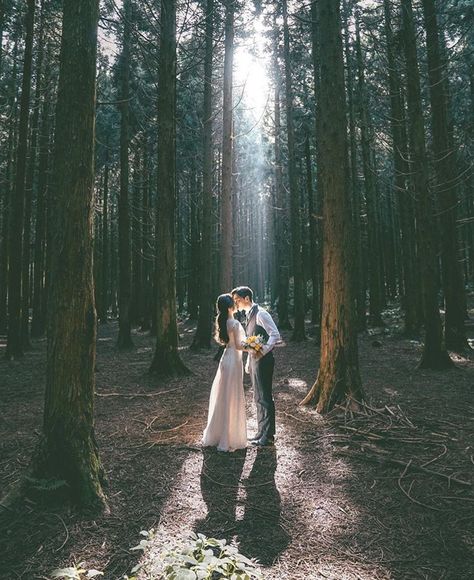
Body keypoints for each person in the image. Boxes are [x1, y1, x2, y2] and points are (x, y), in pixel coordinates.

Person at [231, 286, 280, 447]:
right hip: (254, 362)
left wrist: (263, 351)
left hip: (264, 361)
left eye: (237, 299)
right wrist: (248, 362)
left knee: (265, 397)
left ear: (246, 298)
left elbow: (275, 335)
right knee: (257, 397)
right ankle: (261, 432)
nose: (236, 303)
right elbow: (251, 341)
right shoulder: (248, 314)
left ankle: (268, 436)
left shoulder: (261, 314)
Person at [202, 294, 247, 452]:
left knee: (223, 396)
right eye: (233, 304)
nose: (235, 305)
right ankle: (229, 437)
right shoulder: (234, 323)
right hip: (233, 361)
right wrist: (254, 346)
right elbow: (240, 346)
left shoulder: (222, 322)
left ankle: (218, 433)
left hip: (225, 360)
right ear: (229, 307)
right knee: (232, 396)